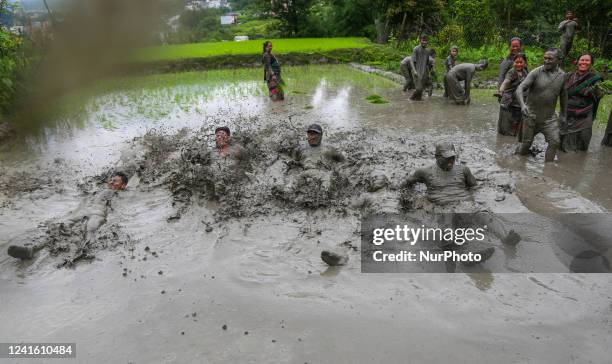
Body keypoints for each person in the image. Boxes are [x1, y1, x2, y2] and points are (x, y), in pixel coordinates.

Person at [7, 172, 129, 261]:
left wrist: (113, 219)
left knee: (90, 229)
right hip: (82, 212)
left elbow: (117, 208)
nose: (112, 182)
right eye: (111, 180)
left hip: (98, 213)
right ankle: (32, 249)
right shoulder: (98, 190)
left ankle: (88, 253)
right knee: (59, 228)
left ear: (123, 186)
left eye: (116, 181)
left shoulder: (119, 194)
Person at [516, 48, 567, 162]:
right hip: (531, 116)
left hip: (548, 119)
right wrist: (523, 105)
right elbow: (520, 88)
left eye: (550, 59)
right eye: (545, 58)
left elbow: (564, 96)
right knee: (525, 146)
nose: (546, 61)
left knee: (555, 142)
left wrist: (564, 114)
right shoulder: (536, 72)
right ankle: (517, 162)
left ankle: (548, 169)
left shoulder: (562, 76)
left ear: (558, 60)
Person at [560, 53, 604, 152]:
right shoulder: (568, 76)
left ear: (591, 63)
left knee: (581, 145)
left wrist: (595, 91)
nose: (584, 62)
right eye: (582, 60)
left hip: (584, 115)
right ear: (577, 62)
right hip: (567, 113)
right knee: (562, 144)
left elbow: (600, 94)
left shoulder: (595, 79)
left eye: (587, 60)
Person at [497, 53, 528, 137]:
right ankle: (503, 137)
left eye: (521, 62)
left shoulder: (525, 72)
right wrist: (500, 91)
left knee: (516, 119)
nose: (518, 64)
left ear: (525, 63)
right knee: (506, 121)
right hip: (508, 100)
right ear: (513, 63)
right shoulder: (511, 72)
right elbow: (506, 82)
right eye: (516, 62)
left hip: (518, 100)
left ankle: (513, 136)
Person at [409, 35, 433, 101]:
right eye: (423, 40)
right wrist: (414, 71)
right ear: (420, 41)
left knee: (421, 90)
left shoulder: (427, 51)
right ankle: (410, 100)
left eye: (426, 41)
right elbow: (412, 61)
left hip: (424, 72)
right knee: (419, 89)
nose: (424, 42)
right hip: (417, 72)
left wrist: (429, 74)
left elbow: (427, 64)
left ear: (427, 42)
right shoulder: (416, 49)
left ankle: (417, 102)